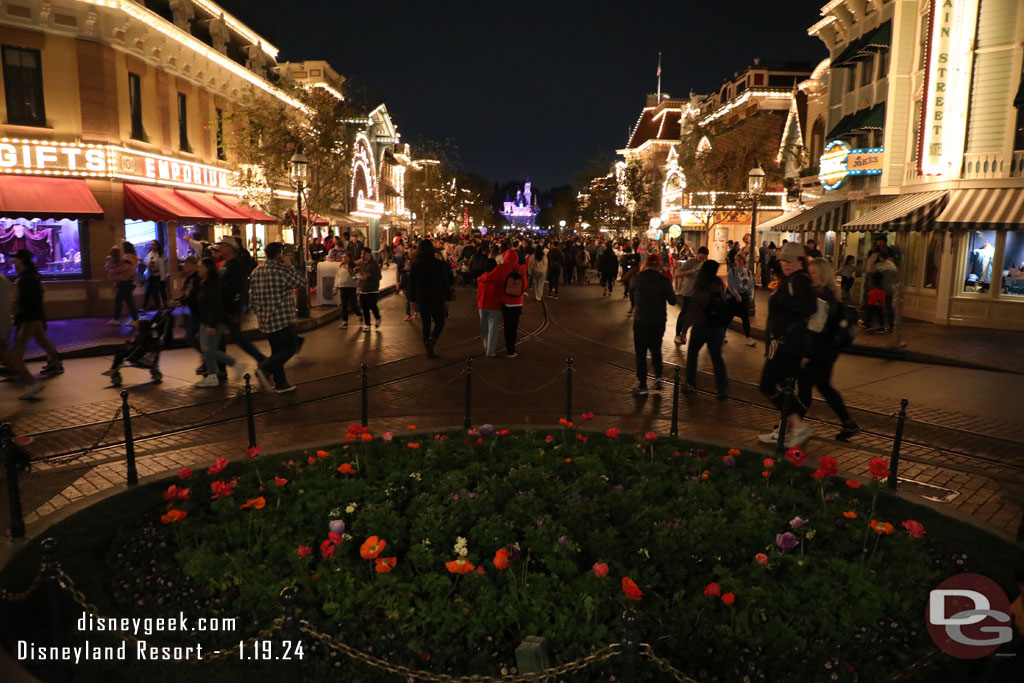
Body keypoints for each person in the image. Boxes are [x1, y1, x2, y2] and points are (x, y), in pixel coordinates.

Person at [758, 242, 818, 448]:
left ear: (800, 261)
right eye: (783, 260)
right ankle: (786, 430)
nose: (786, 264)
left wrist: (783, 303)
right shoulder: (791, 280)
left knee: (767, 385)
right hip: (784, 343)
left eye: (791, 260)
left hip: (786, 344)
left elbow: (808, 309)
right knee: (784, 387)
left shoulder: (798, 281)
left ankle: (798, 426)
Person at [799, 257, 859, 441]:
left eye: (814, 273)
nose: (811, 276)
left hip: (819, 351)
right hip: (827, 350)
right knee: (819, 387)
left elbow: (814, 329)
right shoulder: (829, 293)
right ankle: (847, 422)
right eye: (810, 272)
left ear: (823, 275)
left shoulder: (821, 296)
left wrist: (807, 354)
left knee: (807, 388)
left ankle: (791, 424)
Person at [249, 242, 306, 394]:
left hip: (266, 320)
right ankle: (265, 368)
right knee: (290, 348)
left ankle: (280, 383)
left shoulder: (256, 271)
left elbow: (252, 297)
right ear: (280, 254)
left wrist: (259, 312)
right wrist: (290, 266)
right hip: (283, 319)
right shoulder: (281, 271)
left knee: (277, 351)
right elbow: (301, 283)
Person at [680, 260, 729, 399]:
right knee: (717, 359)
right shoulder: (719, 285)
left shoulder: (700, 287)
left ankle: (691, 383)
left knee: (692, 355)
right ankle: (722, 388)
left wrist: (684, 331)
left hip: (701, 327)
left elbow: (691, 312)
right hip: (717, 328)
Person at [629, 254, 677, 395]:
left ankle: (643, 384)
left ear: (646, 264)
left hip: (641, 320)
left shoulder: (637, 279)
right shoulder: (664, 280)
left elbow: (631, 294)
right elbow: (673, 301)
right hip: (658, 321)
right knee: (656, 349)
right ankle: (658, 378)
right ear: (658, 266)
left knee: (641, 353)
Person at [194, 257, 245, 387]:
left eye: (200, 266)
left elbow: (215, 305)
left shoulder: (213, 284)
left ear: (207, 268)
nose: (198, 269)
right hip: (208, 321)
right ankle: (212, 375)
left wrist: (212, 324)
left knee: (209, 350)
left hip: (215, 321)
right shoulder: (206, 282)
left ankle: (234, 365)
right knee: (207, 349)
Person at [0, 271, 44, 399]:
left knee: (6, 355)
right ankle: (32, 382)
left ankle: (32, 382)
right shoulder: (3, 279)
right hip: (4, 321)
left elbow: (4, 306)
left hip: (2, 322)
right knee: (6, 355)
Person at [408, 239, 454, 358]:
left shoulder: (415, 265)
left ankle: (428, 347)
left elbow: (411, 284)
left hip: (422, 298)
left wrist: (412, 300)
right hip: (437, 297)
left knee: (426, 323)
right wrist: (448, 298)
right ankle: (432, 341)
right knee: (440, 322)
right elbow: (445, 282)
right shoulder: (438, 264)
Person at [482, 248, 528, 358]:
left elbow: (489, 278)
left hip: (506, 301)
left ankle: (508, 347)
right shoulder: (521, 269)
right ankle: (511, 350)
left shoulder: (501, 267)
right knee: (514, 326)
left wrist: (480, 278)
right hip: (518, 302)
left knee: (507, 325)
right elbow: (524, 285)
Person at [673, 246, 707, 344]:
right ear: (697, 253)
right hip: (687, 292)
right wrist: (689, 272)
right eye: (700, 257)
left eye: (703, 258)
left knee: (695, 315)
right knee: (684, 313)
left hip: (698, 293)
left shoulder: (703, 264)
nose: (701, 259)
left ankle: (686, 334)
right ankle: (678, 334)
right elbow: (677, 273)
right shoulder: (690, 262)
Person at [725, 252, 757, 346]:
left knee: (745, 318)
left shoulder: (748, 272)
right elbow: (730, 285)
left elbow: (751, 285)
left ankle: (748, 337)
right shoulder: (732, 271)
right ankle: (722, 334)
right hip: (733, 298)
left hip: (744, 297)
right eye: (736, 260)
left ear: (744, 261)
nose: (738, 262)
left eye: (740, 260)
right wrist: (736, 295)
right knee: (728, 317)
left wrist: (750, 295)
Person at [105, 241, 140, 327]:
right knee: (119, 300)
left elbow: (124, 267)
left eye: (122, 247)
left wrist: (113, 271)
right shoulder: (131, 257)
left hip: (124, 282)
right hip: (125, 281)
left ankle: (136, 320)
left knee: (129, 301)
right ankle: (116, 319)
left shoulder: (128, 257)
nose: (121, 249)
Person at [475, 258, 502, 357]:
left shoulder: (481, 279)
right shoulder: (496, 279)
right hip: (494, 306)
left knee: (484, 328)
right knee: (493, 329)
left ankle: (486, 346)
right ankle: (490, 351)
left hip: (482, 305)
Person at [355, 246, 382, 331]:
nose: (362, 255)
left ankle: (377, 318)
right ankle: (367, 324)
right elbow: (356, 274)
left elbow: (379, 276)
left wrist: (368, 276)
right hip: (363, 289)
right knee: (364, 307)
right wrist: (355, 271)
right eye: (361, 253)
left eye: (364, 253)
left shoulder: (374, 264)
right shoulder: (360, 263)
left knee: (372, 306)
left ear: (369, 254)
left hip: (372, 289)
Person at [333, 252, 360, 329]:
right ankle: (345, 321)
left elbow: (358, 278)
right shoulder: (340, 267)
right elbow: (337, 277)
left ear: (350, 258)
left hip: (352, 287)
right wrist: (335, 288)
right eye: (343, 257)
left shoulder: (354, 267)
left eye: (346, 257)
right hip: (342, 287)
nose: (344, 258)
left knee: (353, 305)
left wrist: (358, 288)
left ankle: (359, 314)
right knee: (344, 305)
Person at [876, 249, 899, 332]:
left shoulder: (881, 267)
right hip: (891, 288)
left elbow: (877, 277)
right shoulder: (893, 266)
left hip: (883, 288)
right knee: (890, 307)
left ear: (881, 257)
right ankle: (891, 324)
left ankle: (881, 325)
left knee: (880, 307)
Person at [141, 240, 169, 310]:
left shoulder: (162, 254)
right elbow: (145, 262)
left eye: (154, 245)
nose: (152, 246)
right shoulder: (149, 254)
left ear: (157, 246)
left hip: (160, 275)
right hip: (152, 275)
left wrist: (167, 274)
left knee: (162, 291)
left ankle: (166, 305)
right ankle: (145, 306)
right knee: (148, 291)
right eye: (151, 245)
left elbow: (167, 265)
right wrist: (143, 261)